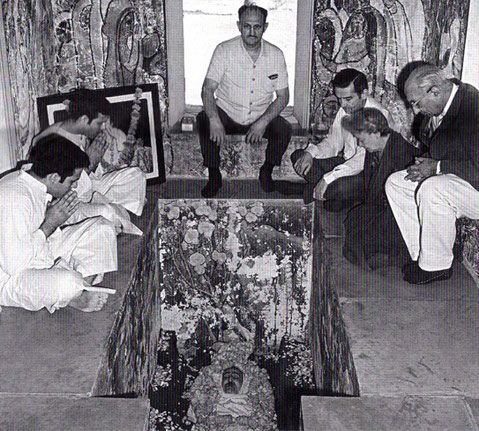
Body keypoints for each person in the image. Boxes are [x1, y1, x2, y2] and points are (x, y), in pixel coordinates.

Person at [0, 135, 118, 313]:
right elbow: (14, 265)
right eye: (72, 182)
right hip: (12, 279)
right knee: (67, 283)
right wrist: (50, 224)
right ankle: (73, 293)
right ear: (54, 177)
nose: (72, 187)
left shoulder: (36, 184)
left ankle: (77, 290)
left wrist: (52, 224)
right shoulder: (14, 197)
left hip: (40, 253)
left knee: (103, 228)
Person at [385, 64, 479, 284]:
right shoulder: (444, 103)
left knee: (433, 189)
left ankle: (437, 266)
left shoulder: (474, 109)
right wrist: (426, 165)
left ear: (434, 91)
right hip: (466, 179)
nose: (415, 111)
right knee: (398, 183)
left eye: (416, 103)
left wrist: (436, 168)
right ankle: (423, 255)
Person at [197, 3, 292, 198]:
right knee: (203, 119)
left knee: (284, 128)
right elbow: (207, 89)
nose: (252, 31)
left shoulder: (276, 55)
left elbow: (283, 97)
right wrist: (215, 120)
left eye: (257, 26)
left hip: (259, 117)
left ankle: (267, 171)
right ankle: (214, 175)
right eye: (247, 26)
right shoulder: (223, 50)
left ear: (265, 27)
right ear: (239, 25)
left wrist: (263, 122)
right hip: (228, 113)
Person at [32, 88, 147, 217]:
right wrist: (90, 163)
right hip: (69, 200)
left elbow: (93, 178)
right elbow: (59, 190)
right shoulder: (52, 139)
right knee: (106, 212)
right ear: (84, 120)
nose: (103, 127)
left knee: (136, 175)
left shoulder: (80, 131)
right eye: (100, 123)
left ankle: (118, 213)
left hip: (89, 186)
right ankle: (115, 213)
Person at [290, 68, 395, 208]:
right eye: (339, 99)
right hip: (346, 164)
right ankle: (335, 197)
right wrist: (310, 152)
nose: (343, 105)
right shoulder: (345, 109)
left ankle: (306, 191)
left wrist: (328, 178)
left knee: (338, 186)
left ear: (364, 93)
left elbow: (363, 160)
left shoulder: (379, 115)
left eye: (348, 99)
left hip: (369, 173)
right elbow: (333, 143)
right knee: (299, 156)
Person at [340, 108, 420, 269]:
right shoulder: (375, 148)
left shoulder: (402, 154)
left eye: (361, 140)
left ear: (376, 132)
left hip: (402, 213)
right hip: (382, 206)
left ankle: (394, 256)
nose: (359, 144)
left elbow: (406, 205)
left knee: (366, 229)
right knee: (355, 217)